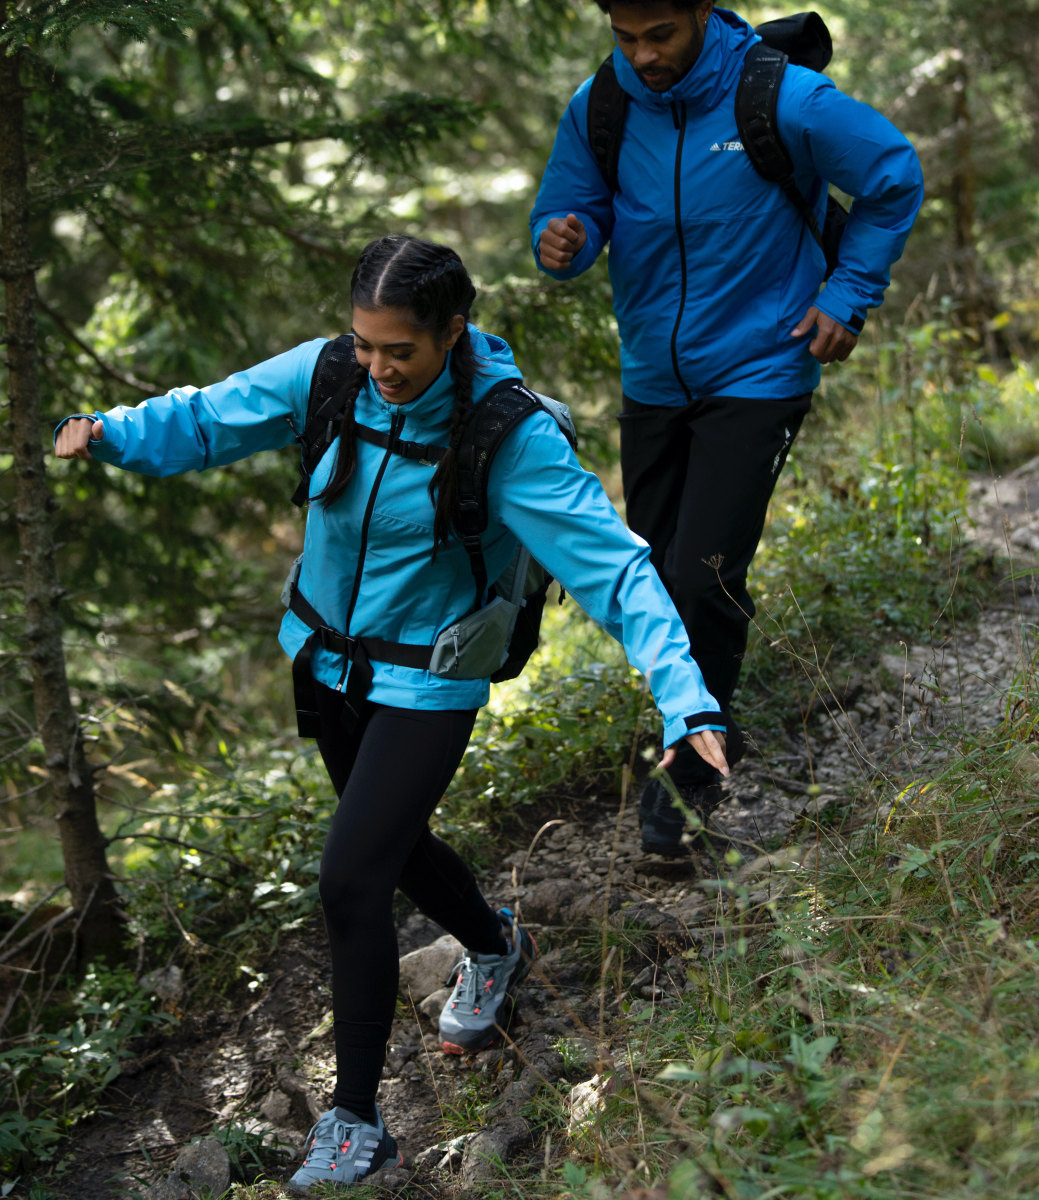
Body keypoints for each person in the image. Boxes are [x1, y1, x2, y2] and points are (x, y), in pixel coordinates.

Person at [54, 234, 728, 1192]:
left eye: (398, 351)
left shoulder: (508, 435)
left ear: (454, 331)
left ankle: (357, 1120)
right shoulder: (332, 374)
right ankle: (499, 945)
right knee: (397, 848)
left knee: (350, 878)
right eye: (364, 345)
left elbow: (614, 566)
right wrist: (113, 430)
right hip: (327, 665)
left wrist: (683, 693)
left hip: (427, 682)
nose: (376, 369)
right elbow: (212, 418)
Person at [530, 0, 923, 854]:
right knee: (658, 574)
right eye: (626, 37)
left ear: (701, 11)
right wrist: (562, 238)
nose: (643, 55)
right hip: (654, 380)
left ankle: (689, 778)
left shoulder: (783, 100)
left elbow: (894, 175)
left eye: (661, 35)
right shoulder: (601, 105)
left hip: (761, 366)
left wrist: (847, 294)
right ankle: (693, 722)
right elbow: (572, 206)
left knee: (705, 572)